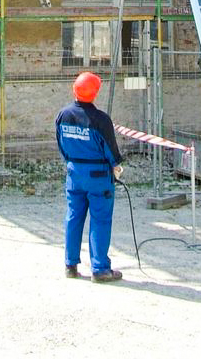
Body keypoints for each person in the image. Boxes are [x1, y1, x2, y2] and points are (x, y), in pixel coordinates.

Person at [55, 71, 124, 282]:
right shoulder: (100, 120)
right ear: (95, 93)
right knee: (100, 220)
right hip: (98, 176)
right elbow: (111, 151)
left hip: (74, 172)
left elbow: (61, 145)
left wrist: (73, 161)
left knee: (73, 217)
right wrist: (117, 167)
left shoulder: (63, 115)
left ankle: (70, 265)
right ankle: (100, 269)